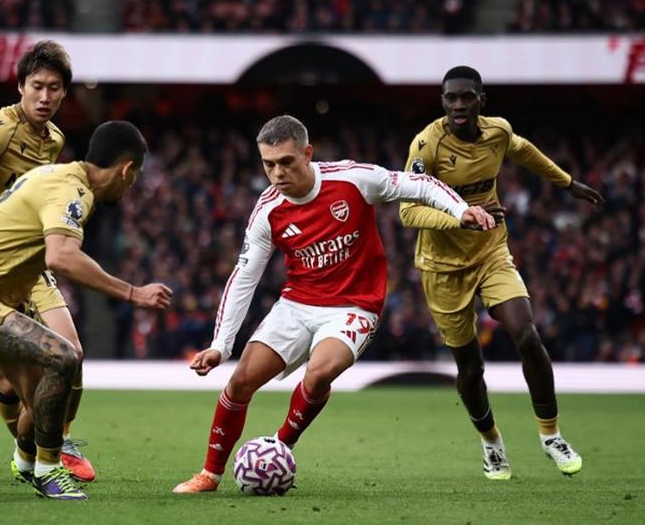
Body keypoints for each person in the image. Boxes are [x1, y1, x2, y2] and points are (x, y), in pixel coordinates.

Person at [172, 115, 497, 493]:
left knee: (320, 372)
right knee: (241, 381)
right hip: (297, 304)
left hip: (354, 307)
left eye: (286, 162)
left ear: (308, 154)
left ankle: (280, 448)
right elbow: (244, 277)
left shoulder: (353, 179)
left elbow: (418, 184)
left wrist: (461, 211)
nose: (277, 173)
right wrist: (220, 345)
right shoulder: (267, 211)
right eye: (268, 164)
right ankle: (209, 475)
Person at [0, 121, 172, 500]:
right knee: (63, 357)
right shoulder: (72, 191)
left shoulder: (51, 172)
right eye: (134, 178)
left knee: (41, 400)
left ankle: (27, 461)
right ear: (126, 170)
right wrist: (132, 293)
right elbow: (61, 256)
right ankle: (49, 470)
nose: (130, 188)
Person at [399, 66, 604, 480]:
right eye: (450, 98)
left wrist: (567, 183)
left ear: (481, 100)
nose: (458, 105)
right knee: (471, 369)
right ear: (443, 101)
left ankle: (551, 435)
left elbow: (525, 151)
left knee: (527, 333)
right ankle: (492, 442)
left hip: (491, 250)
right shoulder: (426, 147)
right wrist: (461, 218)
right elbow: (408, 210)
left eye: (466, 97)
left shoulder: (498, 132)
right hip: (443, 267)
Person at [0, 40, 95, 482]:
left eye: (54, 89)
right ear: (21, 87)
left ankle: (56, 442)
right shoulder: (1, 126)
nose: (44, 97)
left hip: (27, 265)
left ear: (65, 93)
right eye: (36, 87)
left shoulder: (55, 140)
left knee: (73, 353)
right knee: (9, 384)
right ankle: (24, 449)